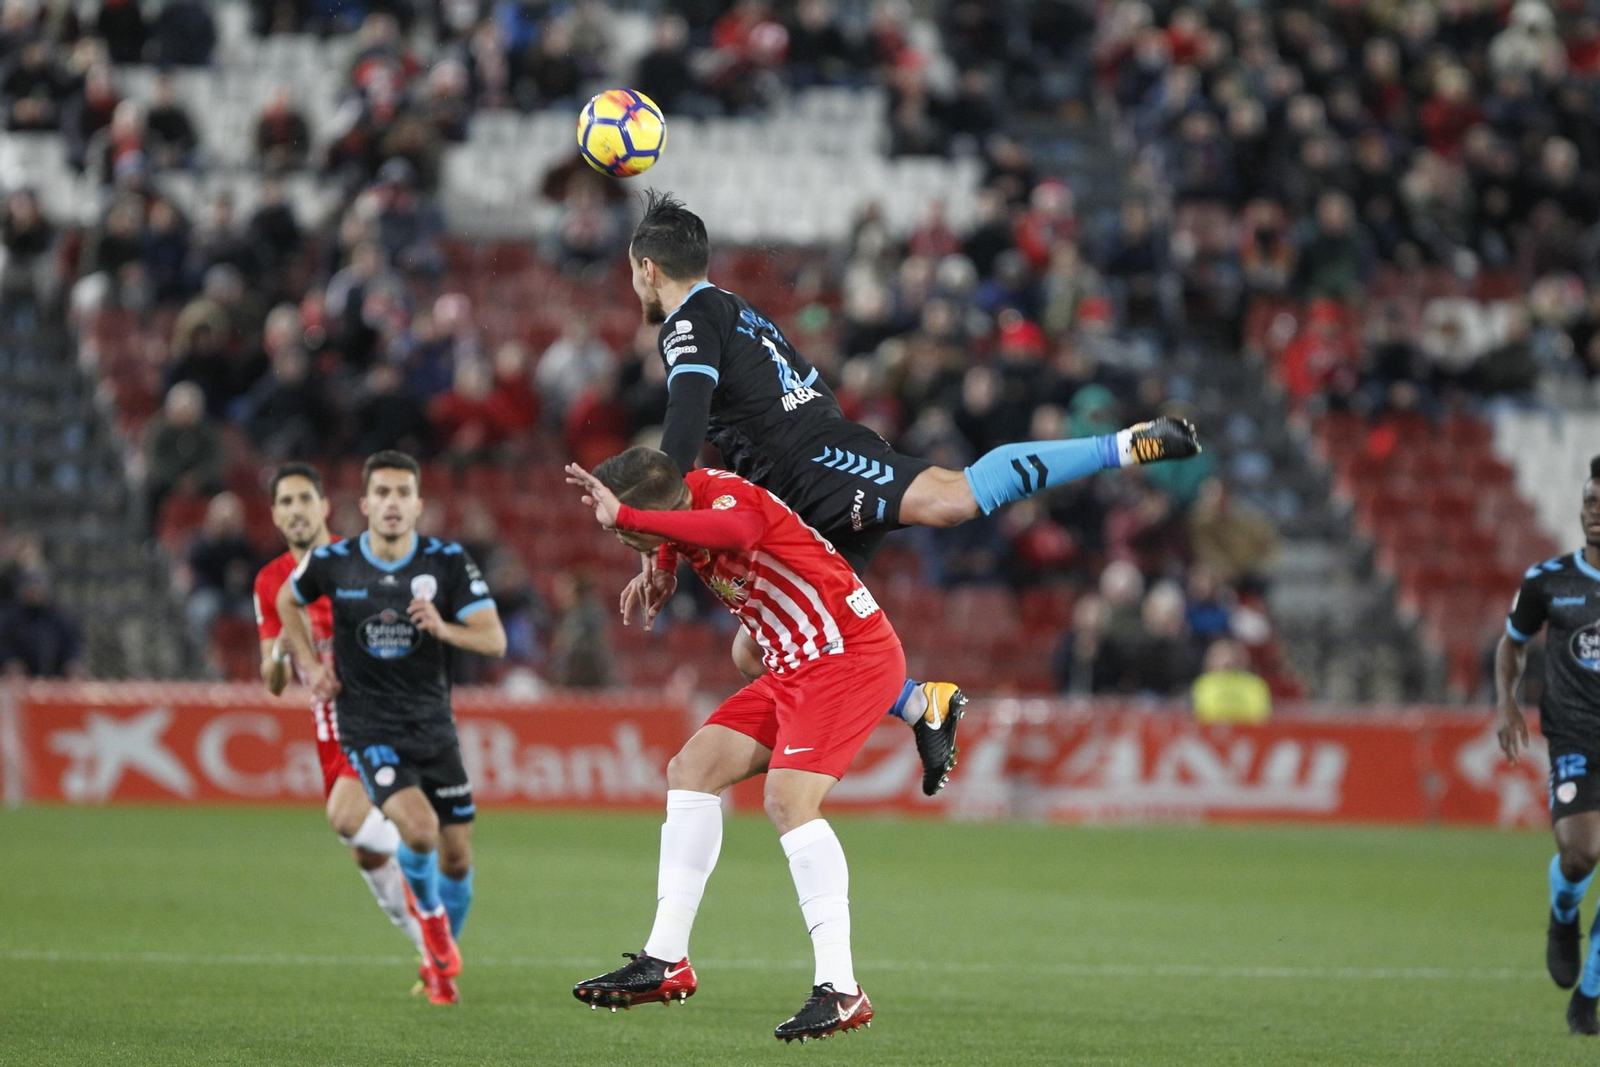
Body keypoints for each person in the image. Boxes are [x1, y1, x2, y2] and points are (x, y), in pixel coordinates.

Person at [619, 191, 1202, 795]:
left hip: (817, 466)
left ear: (647, 269)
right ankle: (923, 705)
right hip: (797, 498)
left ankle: (1124, 446)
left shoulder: (686, 323)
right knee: (753, 650)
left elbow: (678, 446)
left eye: (633, 273)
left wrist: (654, 546)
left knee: (952, 498)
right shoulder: (731, 308)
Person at [566, 448, 900, 1042]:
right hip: (793, 664)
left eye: (622, 527)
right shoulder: (684, 507)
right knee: (690, 769)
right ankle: (666, 959)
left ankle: (842, 989)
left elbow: (738, 528)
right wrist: (663, 561)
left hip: (848, 657)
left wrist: (639, 525)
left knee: (789, 799)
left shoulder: (726, 500)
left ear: (650, 511)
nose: (620, 538)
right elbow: (689, 525)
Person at [276, 451, 506, 1004]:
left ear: (419, 504)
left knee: (457, 855)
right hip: (367, 726)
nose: (393, 503)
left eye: (403, 493)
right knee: (420, 830)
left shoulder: (447, 562)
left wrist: (444, 628)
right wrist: (309, 665)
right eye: (382, 493)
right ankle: (433, 936)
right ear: (365, 504)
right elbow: (289, 598)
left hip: (433, 727)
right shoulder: (335, 562)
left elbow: (494, 640)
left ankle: (438, 968)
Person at [252, 463, 442, 1000]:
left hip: (377, 710)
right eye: (284, 502)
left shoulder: (358, 561)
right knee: (363, 848)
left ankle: (427, 864)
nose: (295, 510)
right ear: (274, 513)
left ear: (323, 506)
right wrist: (282, 655)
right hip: (326, 720)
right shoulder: (269, 582)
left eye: (303, 500)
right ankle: (432, 952)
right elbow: (273, 682)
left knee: (345, 816)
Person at [1498, 454, 1600, 1036]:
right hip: (1575, 735)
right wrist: (1506, 704)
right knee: (1581, 853)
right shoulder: (1549, 581)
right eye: (1590, 502)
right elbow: (1509, 645)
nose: (1596, 513)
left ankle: (1587, 996)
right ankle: (1563, 914)